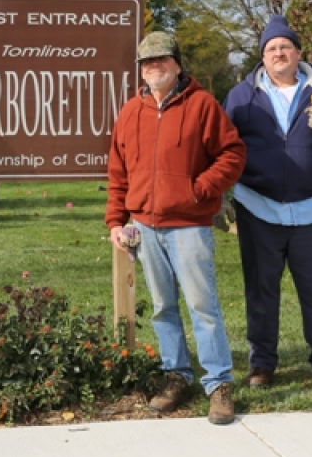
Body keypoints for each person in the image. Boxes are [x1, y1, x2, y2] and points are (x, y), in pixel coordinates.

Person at [105, 31, 246, 425]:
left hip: (188, 226)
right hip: (145, 228)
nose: (155, 67)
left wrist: (200, 188)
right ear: (141, 70)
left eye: (162, 60)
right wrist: (117, 219)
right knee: (164, 309)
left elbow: (233, 153)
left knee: (203, 307)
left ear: (177, 64)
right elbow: (118, 171)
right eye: (147, 62)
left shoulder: (202, 105)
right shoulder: (131, 112)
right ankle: (177, 376)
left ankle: (218, 384)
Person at [223, 14, 312, 389]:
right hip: (258, 207)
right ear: (262, 57)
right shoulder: (241, 95)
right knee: (261, 290)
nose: (278, 53)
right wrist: (223, 190)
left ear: (298, 52)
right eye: (271, 48)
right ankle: (263, 363)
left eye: (285, 46)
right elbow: (223, 147)